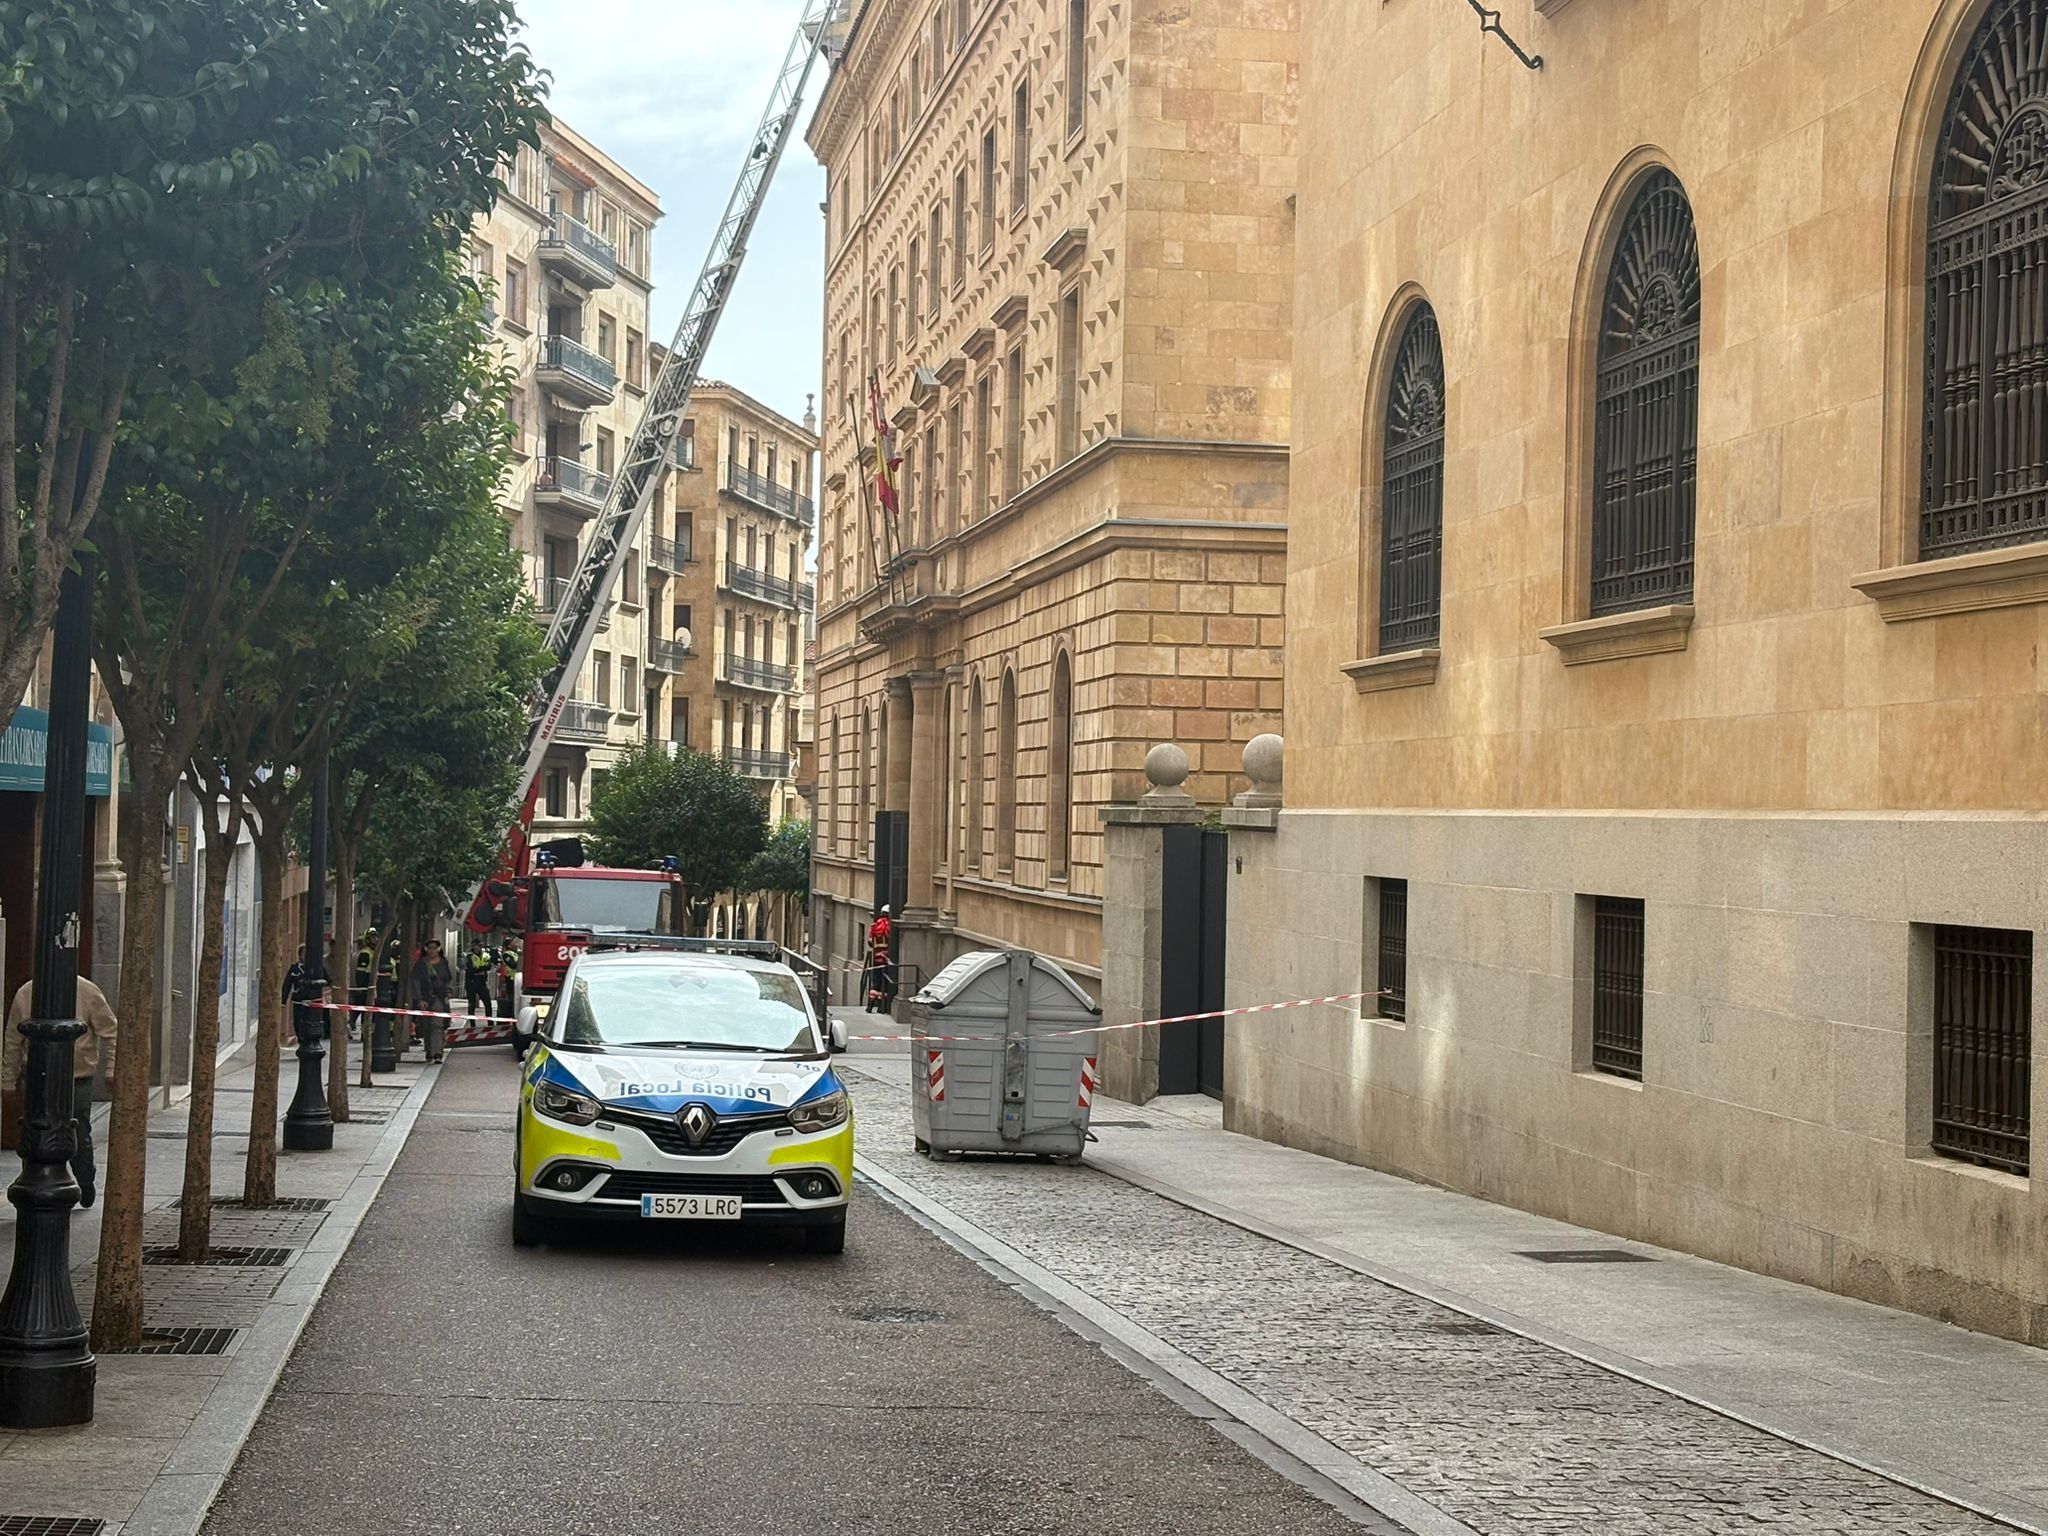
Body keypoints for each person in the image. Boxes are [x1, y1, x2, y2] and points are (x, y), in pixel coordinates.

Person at [2, 972, 118, 1208]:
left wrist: (113, 1069)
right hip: (37, 1077)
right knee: (34, 1130)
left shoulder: (87, 990)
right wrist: (7, 1080)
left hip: (78, 1077)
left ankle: (85, 1180)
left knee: (79, 1131)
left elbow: (111, 1031)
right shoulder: (26, 993)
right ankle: (35, 1183)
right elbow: (13, 1040)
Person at [410, 939, 454, 1063]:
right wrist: (419, 999)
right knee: (426, 1026)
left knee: (437, 1026)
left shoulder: (443, 963)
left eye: (435, 948)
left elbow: (448, 979)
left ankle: (437, 1053)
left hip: (439, 999)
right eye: (429, 948)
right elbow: (416, 982)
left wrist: (448, 991)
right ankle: (429, 1051)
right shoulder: (421, 964)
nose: (432, 951)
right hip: (425, 999)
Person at [863, 905, 897, 1015]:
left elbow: (870, 942)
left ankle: (870, 1006)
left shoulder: (874, 925)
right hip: (887, 959)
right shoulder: (889, 926)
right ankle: (882, 1007)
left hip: (876, 958)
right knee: (885, 984)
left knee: (876, 983)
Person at [280, 944, 306, 1047]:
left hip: (311, 1002)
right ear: (300, 956)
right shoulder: (295, 968)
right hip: (298, 1000)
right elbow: (287, 984)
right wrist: (283, 1000)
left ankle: (306, 1041)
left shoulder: (315, 968)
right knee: (298, 1023)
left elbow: (326, 978)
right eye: (304, 954)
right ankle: (301, 1040)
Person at [463, 942, 495, 1020]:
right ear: (474, 946)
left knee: (487, 1003)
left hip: (482, 982)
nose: (481, 947)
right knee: (471, 1004)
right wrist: (481, 969)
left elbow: (489, 966)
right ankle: (472, 1024)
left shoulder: (485, 955)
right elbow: (471, 970)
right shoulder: (469, 956)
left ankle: (489, 1022)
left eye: (481, 946)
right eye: (479, 946)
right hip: (471, 982)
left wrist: (479, 969)